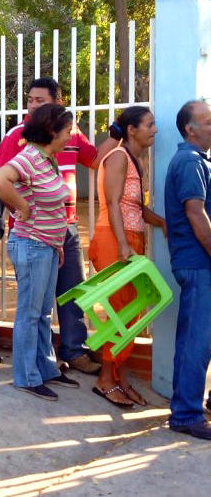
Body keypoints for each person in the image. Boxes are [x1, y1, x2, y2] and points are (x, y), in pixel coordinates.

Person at [0, 77, 115, 376]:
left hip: (64, 227)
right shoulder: (19, 137)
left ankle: (69, 353)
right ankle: (29, 372)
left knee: (68, 292)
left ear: (57, 103)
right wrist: (22, 210)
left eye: (40, 100)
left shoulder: (68, 134)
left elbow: (95, 159)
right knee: (34, 308)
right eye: (30, 99)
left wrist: (118, 134)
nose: (32, 105)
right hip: (34, 232)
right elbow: (0, 180)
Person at [0, 103, 80, 401]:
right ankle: (27, 376)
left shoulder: (47, 159)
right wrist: (22, 206)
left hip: (47, 246)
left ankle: (46, 368)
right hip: (31, 245)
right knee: (30, 314)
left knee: (42, 313)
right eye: (68, 131)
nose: (71, 136)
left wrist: (56, 243)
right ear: (52, 131)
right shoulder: (29, 158)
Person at [89, 107, 166, 408]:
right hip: (114, 241)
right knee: (121, 312)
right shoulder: (119, 156)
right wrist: (123, 244)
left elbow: (134, 207)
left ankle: (118, 377)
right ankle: (105, 379)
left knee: (131, 313)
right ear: (131, 130)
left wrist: (162, 223)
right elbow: (112, 202)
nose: (155, 130)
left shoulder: (134, 160)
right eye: (149, 125)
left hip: (127, 240)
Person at [164, 100, 211, 440]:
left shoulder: (196, 161)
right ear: (190, 129)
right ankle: (186, 414)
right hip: (198, 263)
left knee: (202, 339)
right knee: (196, 340)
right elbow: (196, 214)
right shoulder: (188, 162)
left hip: (199, 262)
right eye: (208, 122)